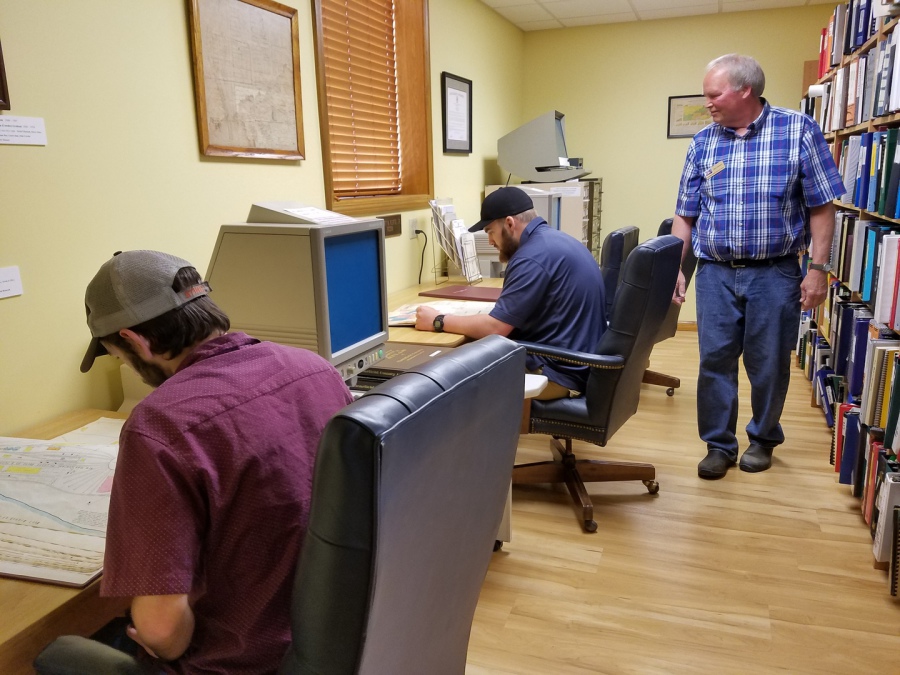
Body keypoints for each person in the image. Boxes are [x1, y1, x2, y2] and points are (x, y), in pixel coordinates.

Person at [72, 250, 353, 673]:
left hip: (245, 663)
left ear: (134, 340)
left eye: (118, 355)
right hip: (339, 636)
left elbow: (163, 632)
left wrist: (156, 638)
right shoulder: (314, 368)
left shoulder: (160, 425)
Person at [672, 54, 844, 480]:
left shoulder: (798, 130)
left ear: (745, 90)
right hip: (715, 272)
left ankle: (763, 438)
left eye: (714, 94)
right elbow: (685, 214)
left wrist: (818, 269)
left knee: (768, 362)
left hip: (775, 272)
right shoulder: (703, 142)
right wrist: (675, 267)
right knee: (714, 360)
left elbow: (822, 206)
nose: (707, 103)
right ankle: (718, 444)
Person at [415, 186, 606, 400]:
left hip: (557, 374)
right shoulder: (555, 241)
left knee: (446, 377)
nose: (490, 241)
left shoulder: (531, 257)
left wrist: (438, 320)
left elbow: (496, 328)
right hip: (578, 364)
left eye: (490, 232)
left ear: (509, 223)